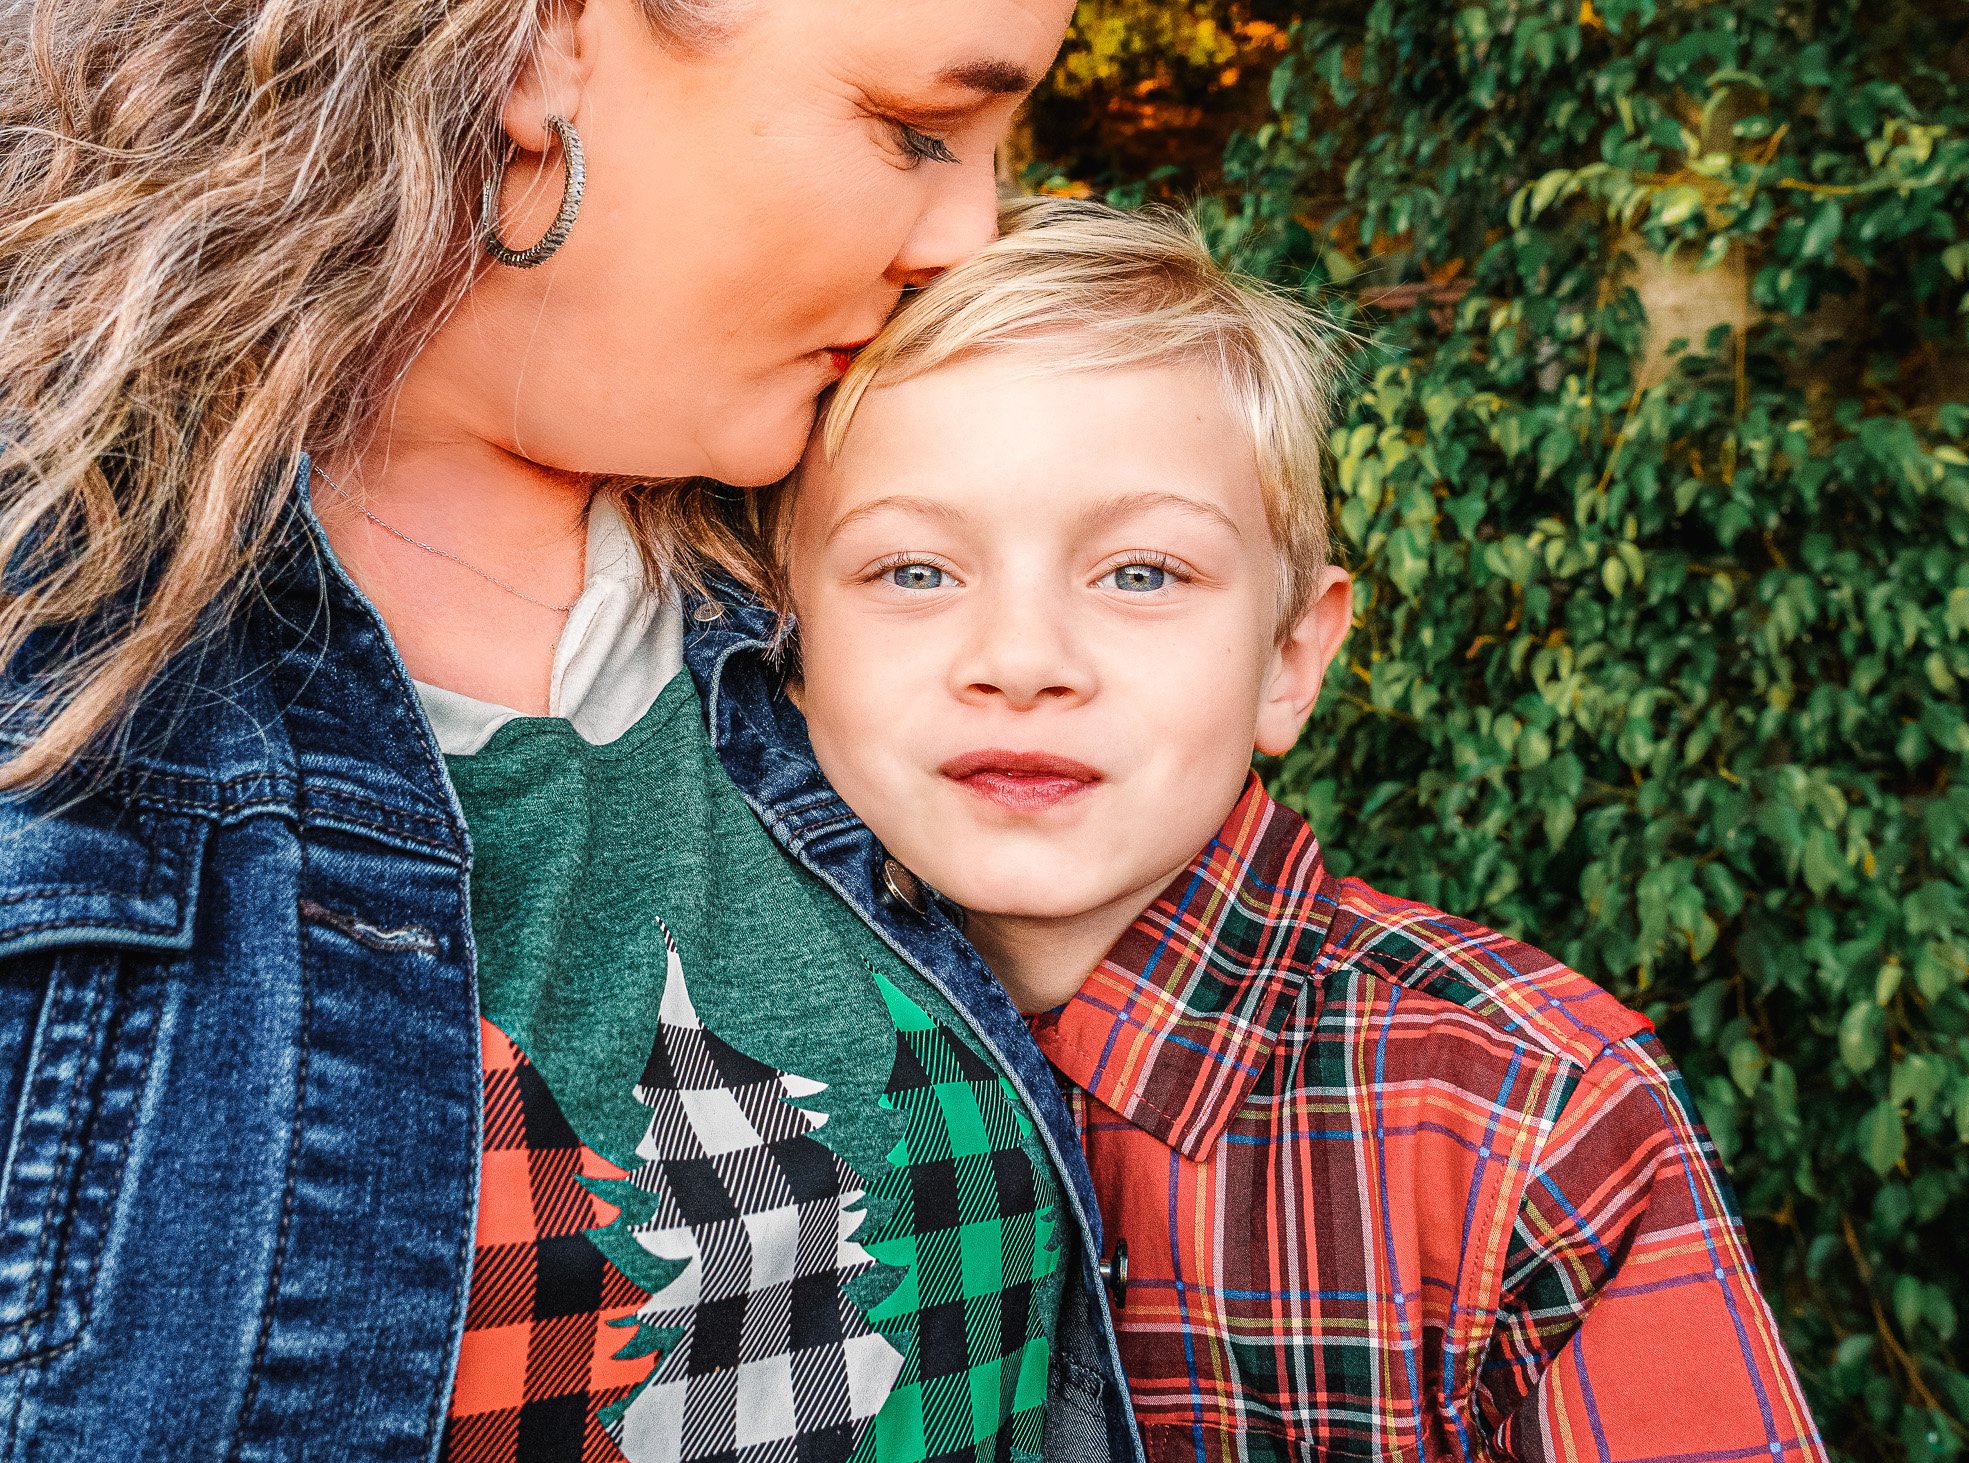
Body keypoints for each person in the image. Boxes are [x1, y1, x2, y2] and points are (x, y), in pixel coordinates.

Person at [0, 5, 1146, 1463]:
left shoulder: (870, 586)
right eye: (917, 128)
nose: (969, 233)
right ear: (543, 48)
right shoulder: (57, 673)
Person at [764, 196, 1829, 1461]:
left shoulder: (1534, 1114)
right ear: (781, 643)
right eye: (914, 571)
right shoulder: (694, 1051)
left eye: (1142, 572)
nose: (1021, 659)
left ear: (1288, 656)